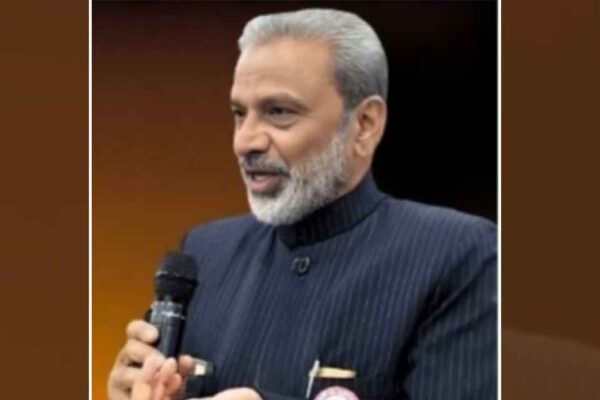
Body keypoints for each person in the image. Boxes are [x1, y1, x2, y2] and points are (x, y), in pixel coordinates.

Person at [108, 8, 497, 400]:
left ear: (365, 124)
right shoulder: (205, 253)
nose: (245, 141)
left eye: (279, 112)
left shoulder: (458, 254)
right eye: (239, 114)